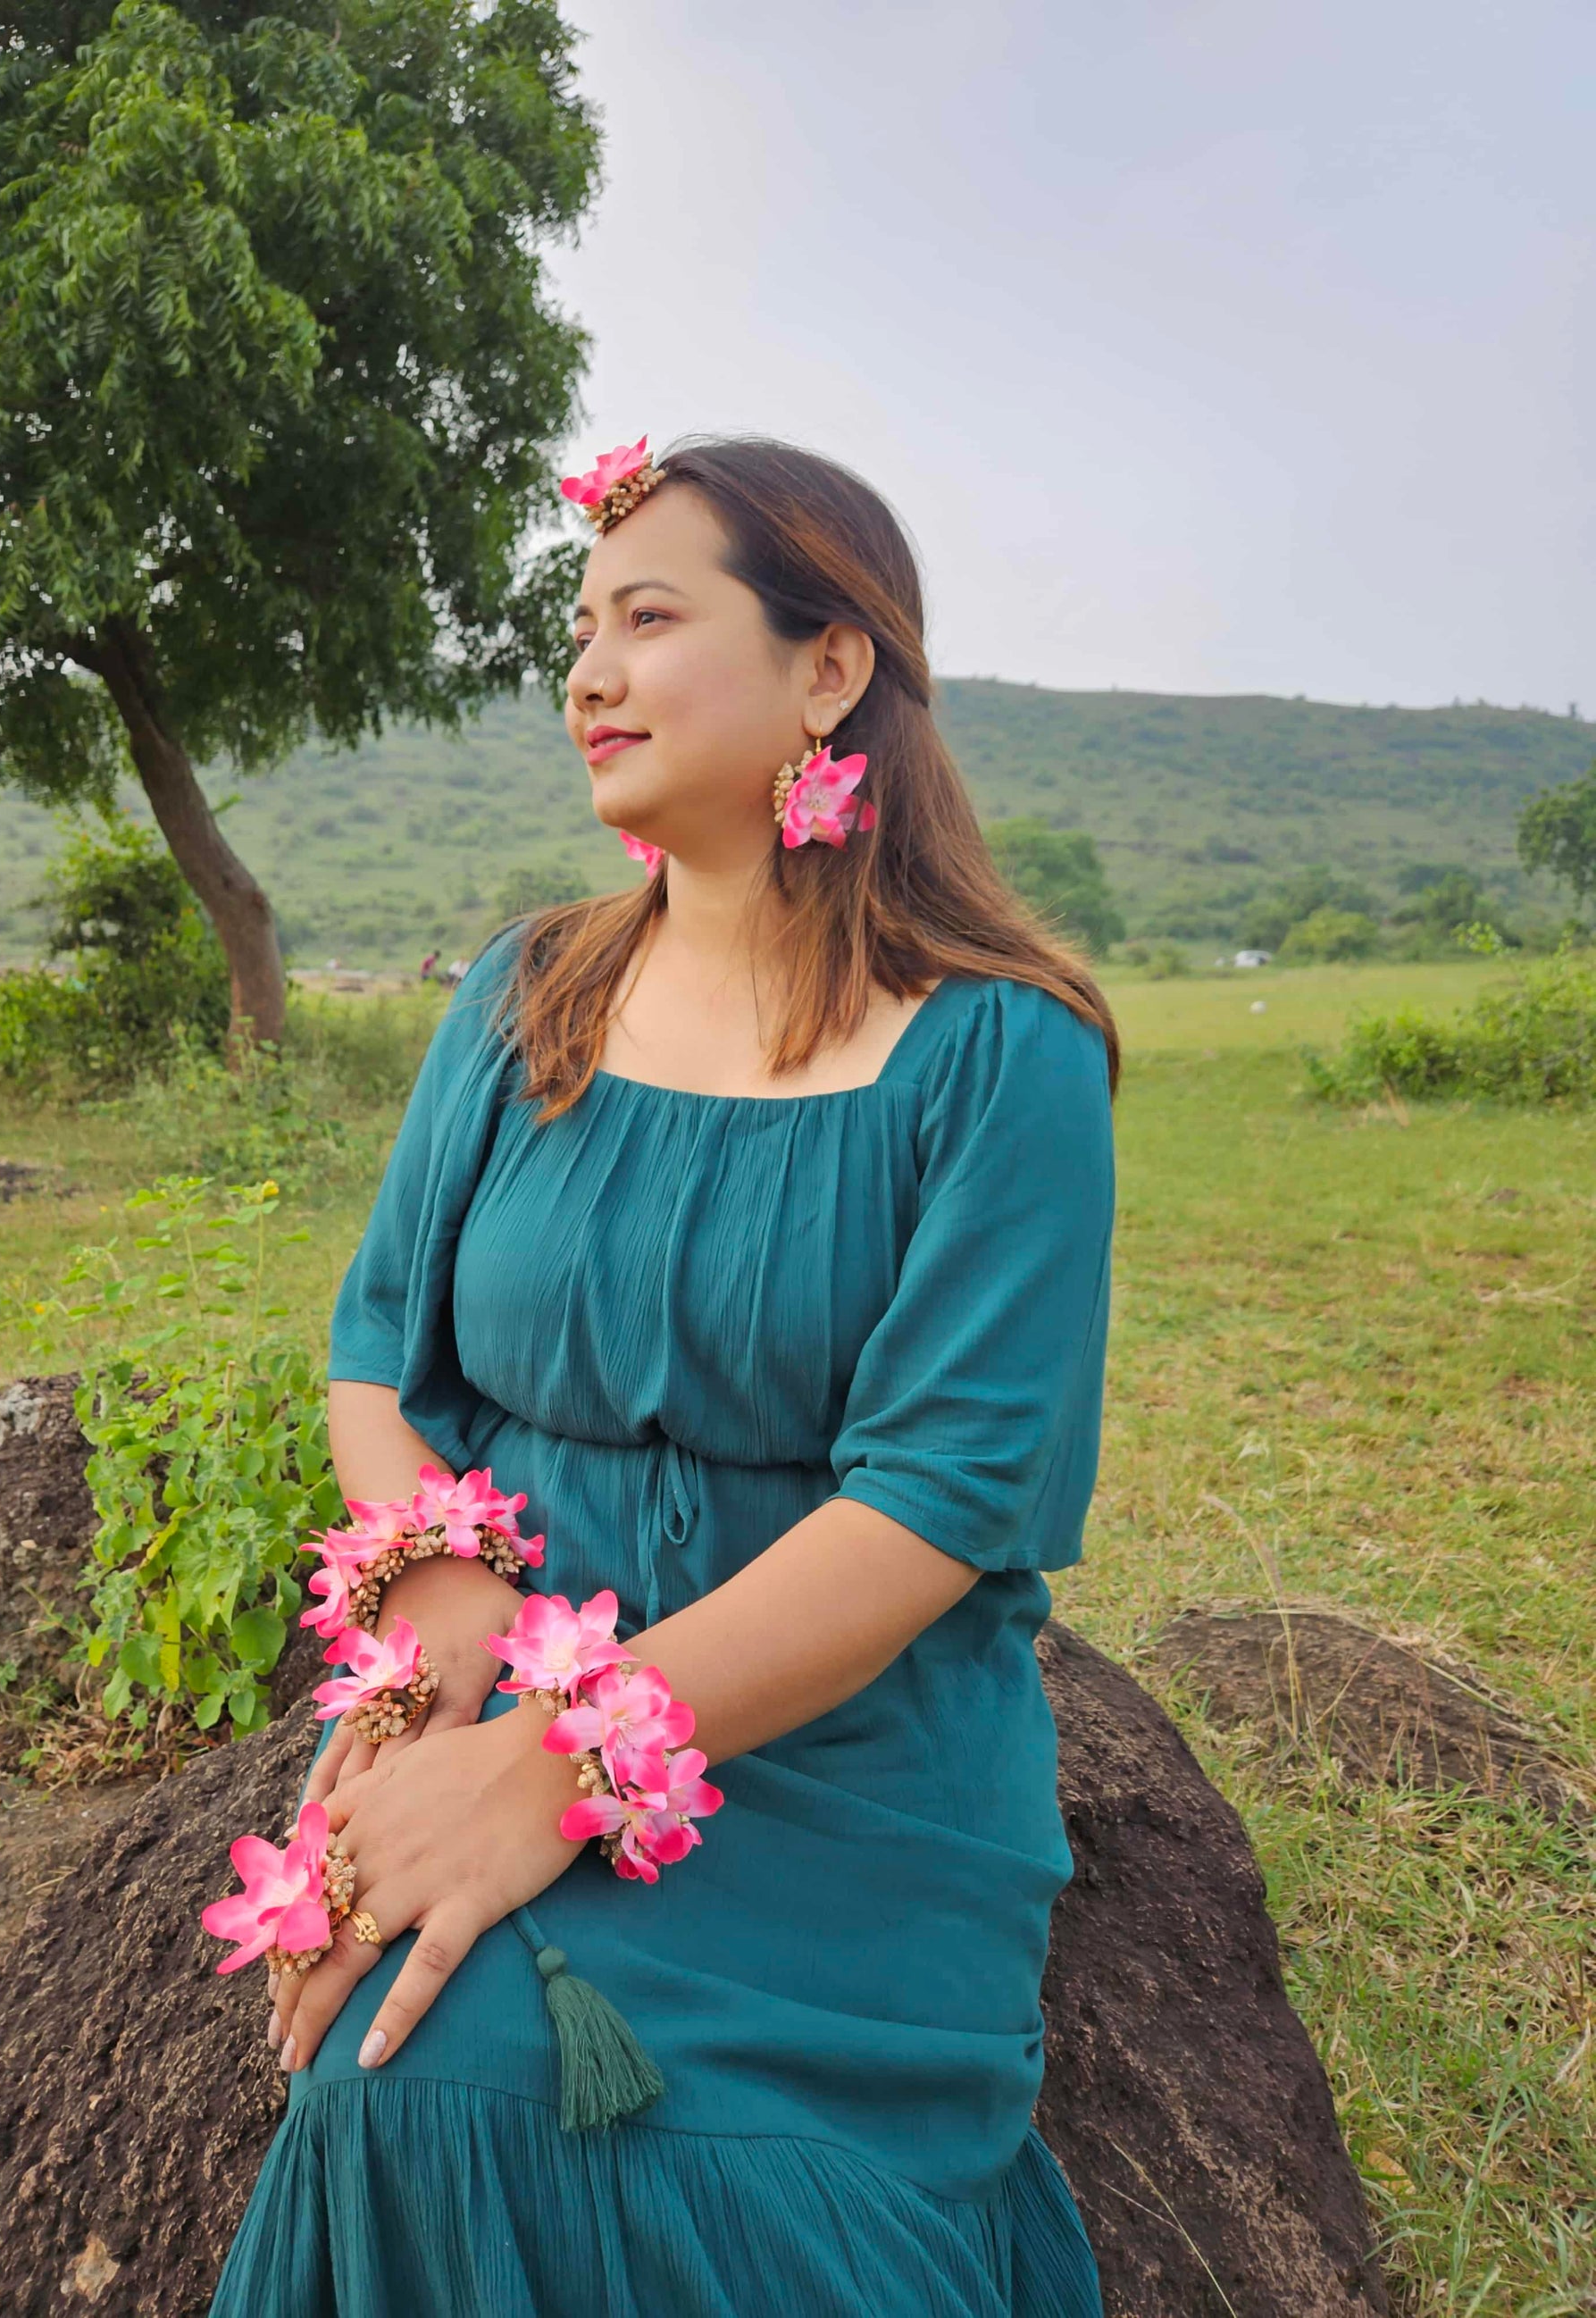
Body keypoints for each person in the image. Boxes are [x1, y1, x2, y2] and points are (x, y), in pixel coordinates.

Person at [208, 435, 1118, 2317]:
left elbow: (935, 1497)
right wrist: (444, 1592)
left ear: (828, 668)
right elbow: (382, 1347)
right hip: (500, 1651)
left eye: (647, 616)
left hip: (827, 1745)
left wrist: (557, 1773)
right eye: (578, 628)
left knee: (752, 2201)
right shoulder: (523, 994)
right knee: (416, 2087)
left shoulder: (1002, 1056)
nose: (586, 672)